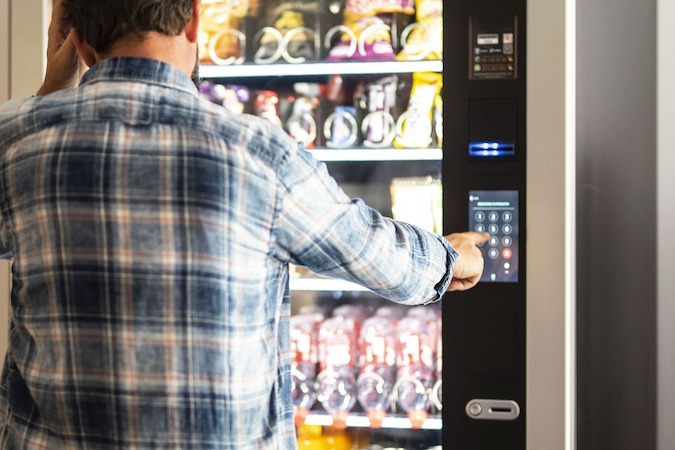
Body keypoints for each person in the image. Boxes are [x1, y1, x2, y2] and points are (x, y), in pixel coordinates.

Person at [0, 0, 488, 448]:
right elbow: (378, 256)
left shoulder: (17, 140)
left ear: (75, 38)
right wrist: (451, 254)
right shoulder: (259, 153)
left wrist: (49, 95)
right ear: (194, 20)